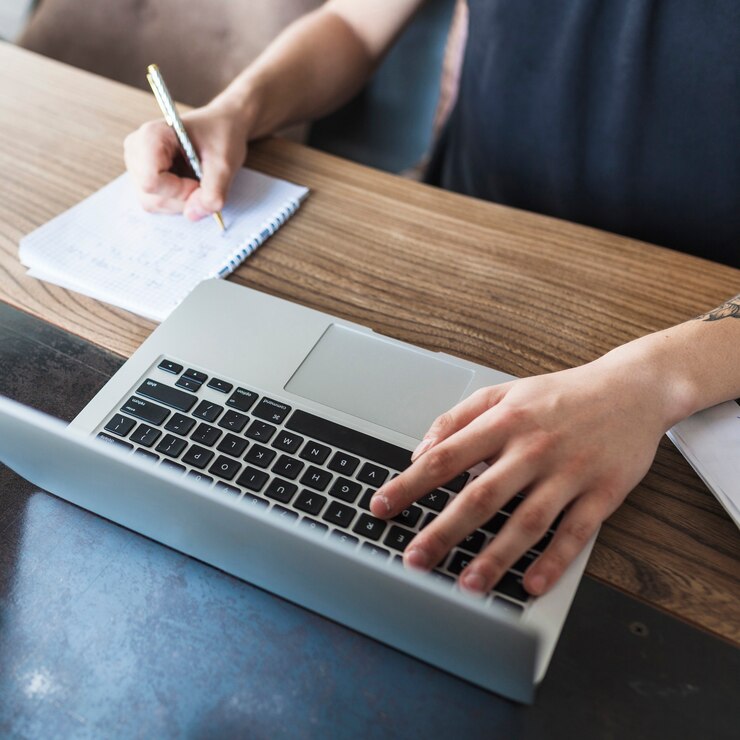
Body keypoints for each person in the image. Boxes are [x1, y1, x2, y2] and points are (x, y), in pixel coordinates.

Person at [124, 0, 740, 598]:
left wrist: (655, 381)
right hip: (447, 242)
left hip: (686, 318)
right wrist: (237, 108)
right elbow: (356, 24)